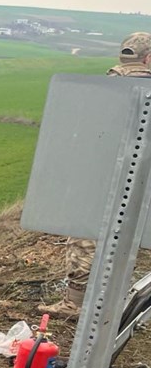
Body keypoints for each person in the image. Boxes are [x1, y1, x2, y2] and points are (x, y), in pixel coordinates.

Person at [41, 32, 151, 316]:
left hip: (101, 175)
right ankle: (122, 300)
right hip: (143, 179)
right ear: (149, 59)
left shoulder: (104, 87)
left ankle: (75, 303)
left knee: (84, 235)